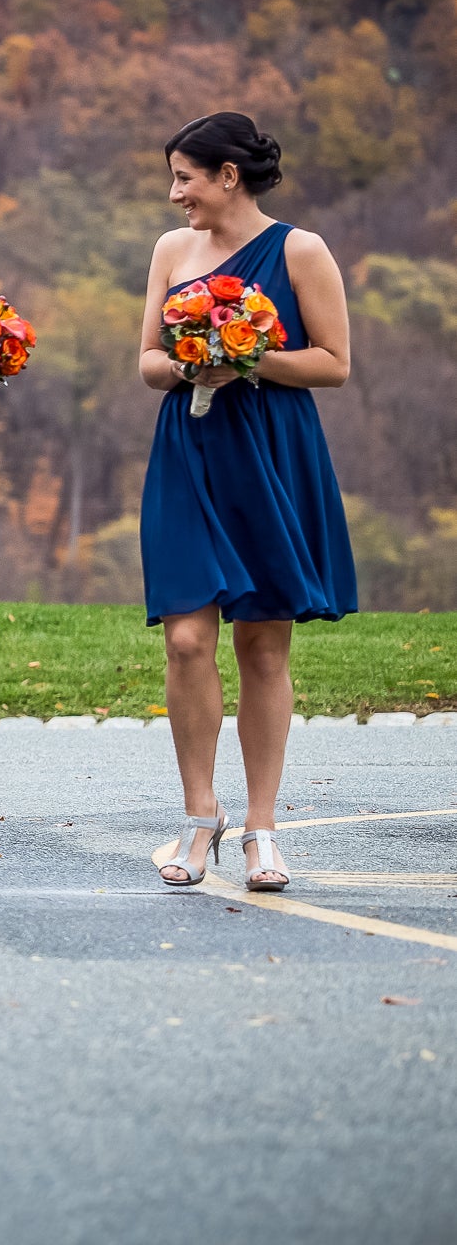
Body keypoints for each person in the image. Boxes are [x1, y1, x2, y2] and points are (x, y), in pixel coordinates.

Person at [137, 113, 354, 894]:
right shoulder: (171, 251)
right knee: (187, 639)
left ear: (229, 175)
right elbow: (148, 362)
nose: (175, 194)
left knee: (264, 644)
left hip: (271, 455)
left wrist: (248, 356)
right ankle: (202, 816)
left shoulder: (301, 249)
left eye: (186, 177)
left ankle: (262, 829)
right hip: (187, 455)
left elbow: (333, 363)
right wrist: (194, 361)